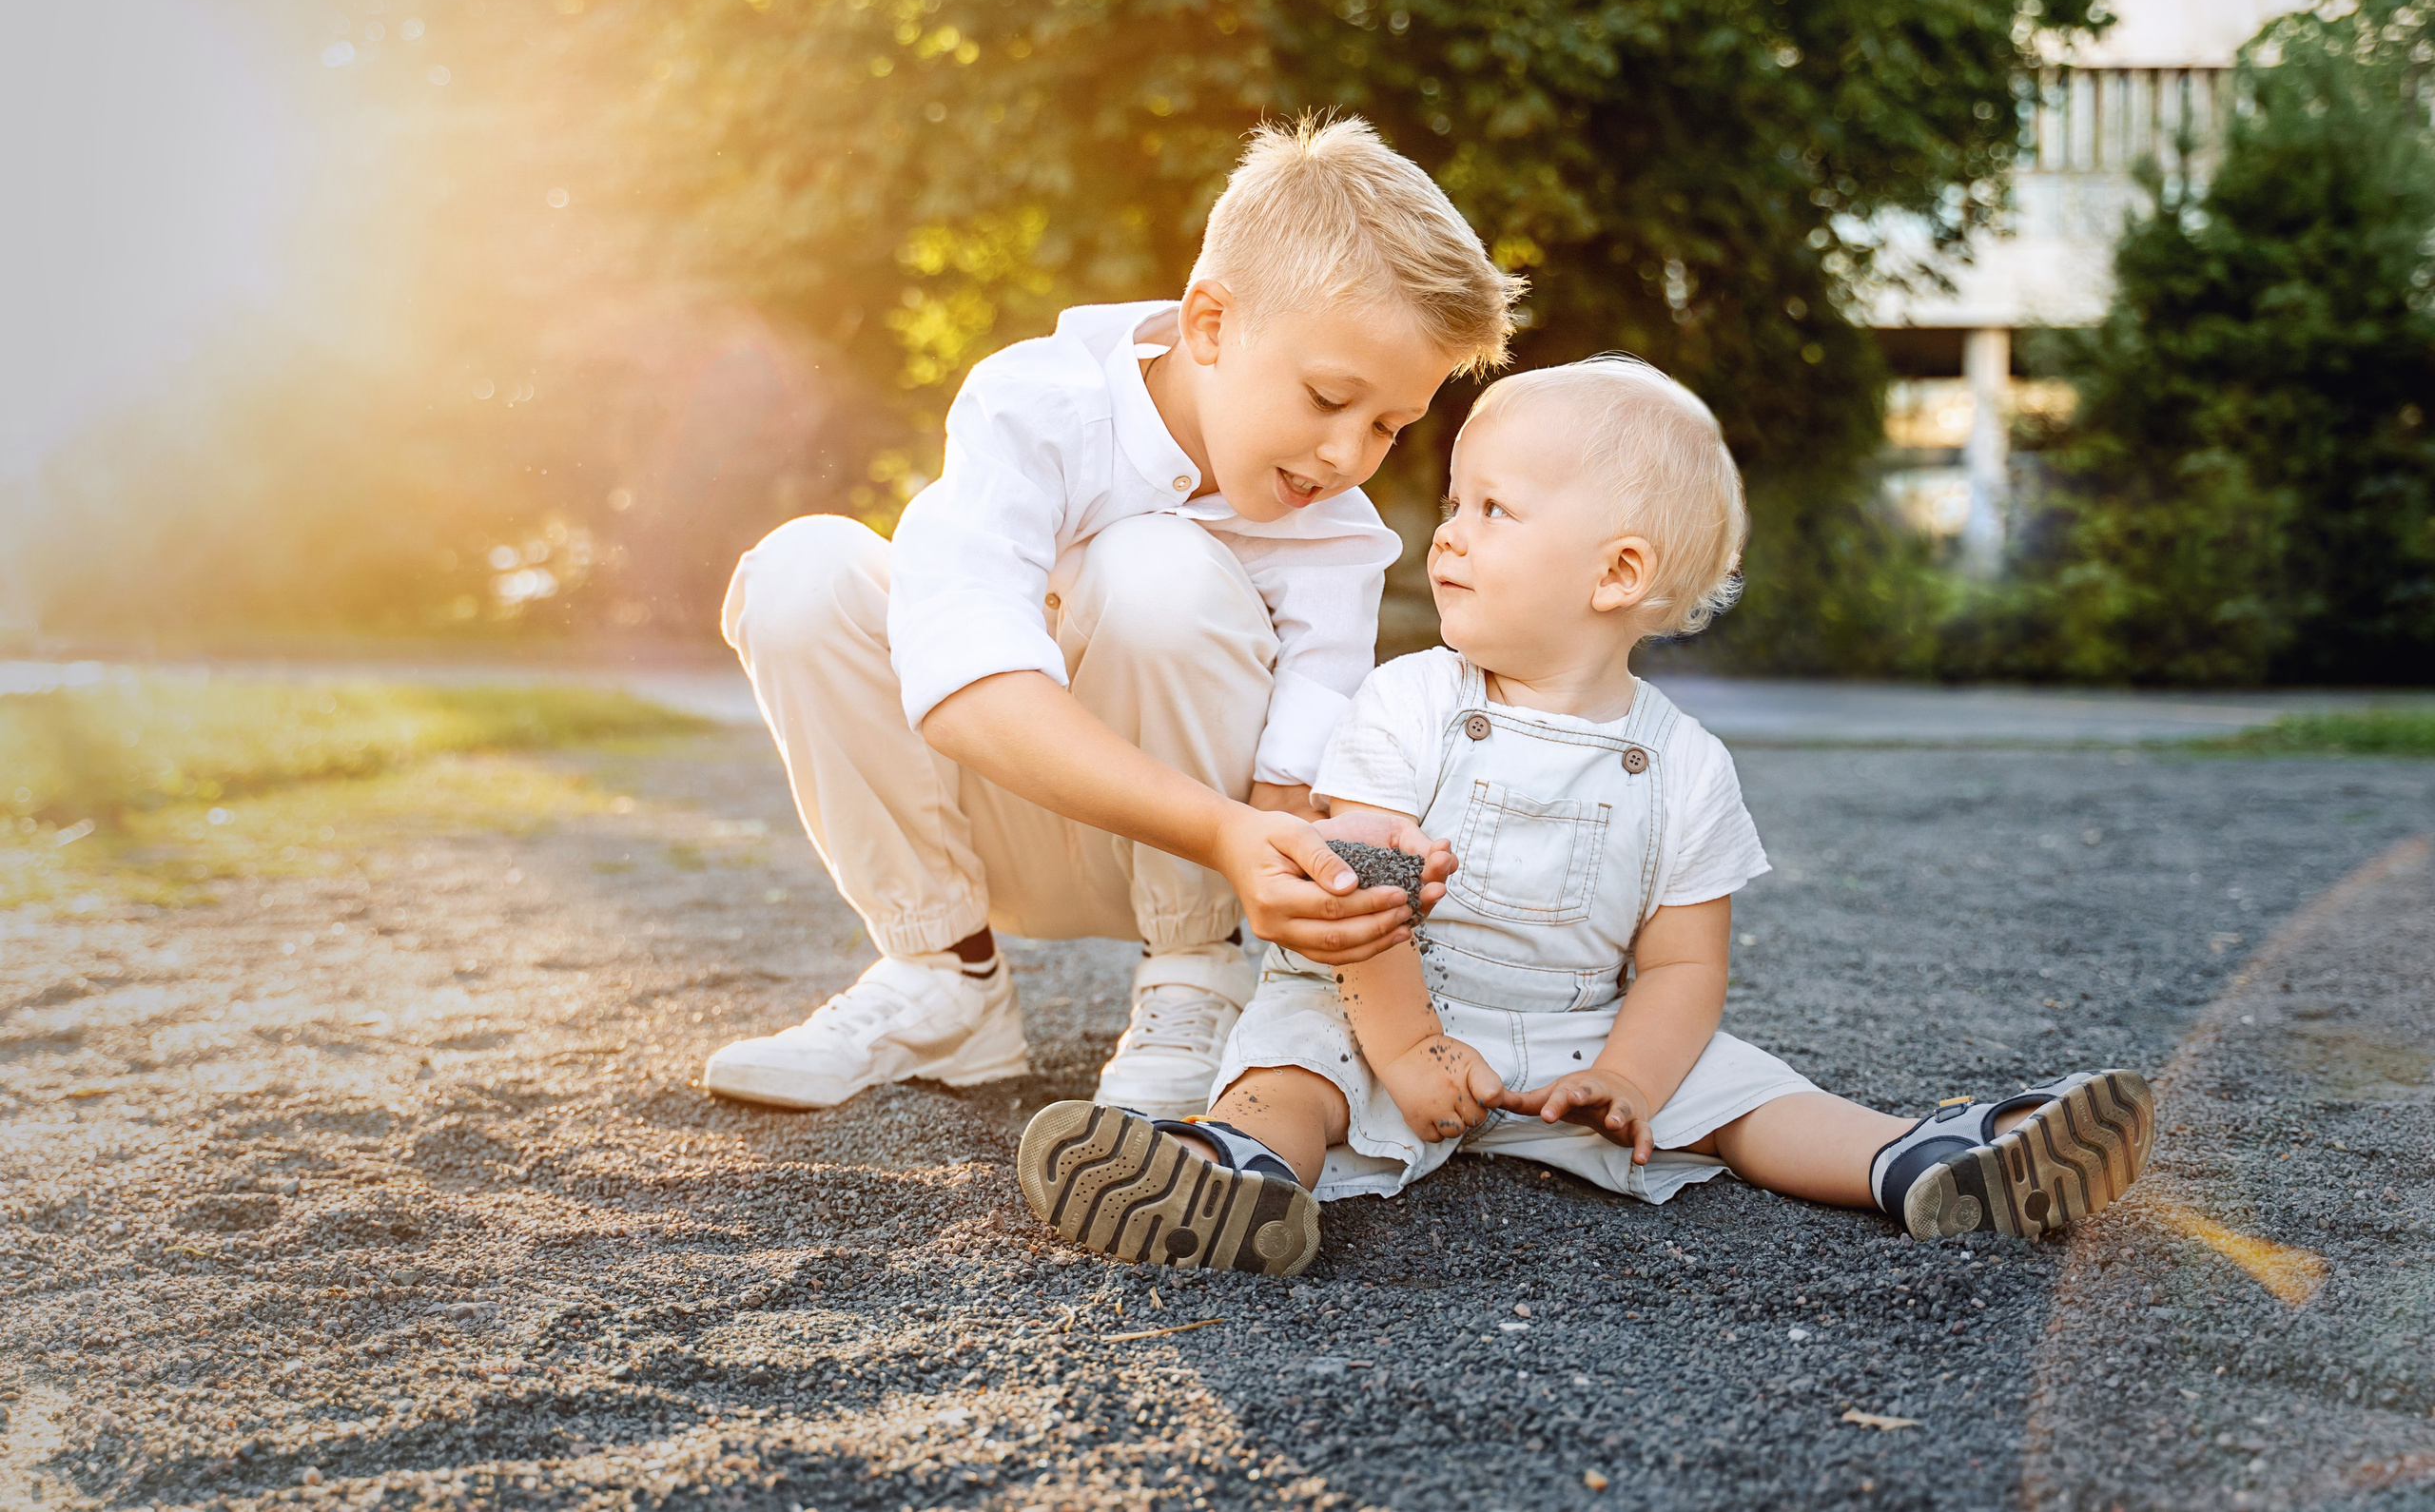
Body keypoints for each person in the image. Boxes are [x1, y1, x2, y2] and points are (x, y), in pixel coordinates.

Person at [1014, 357, 2155, 1273]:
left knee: (1752, 1094)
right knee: (1290, 1065)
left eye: (1492, 509)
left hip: (1577, 1035)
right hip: (1380, 1015)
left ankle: (1925, 1161)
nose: (1446, 533)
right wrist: (1408, 1053)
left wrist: (1633, 1080)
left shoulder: (1686, 765)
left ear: (1615, 575)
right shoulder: (1408, 698)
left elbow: (1678, 973)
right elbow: (1359, 891)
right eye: (1454, 503)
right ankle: (1238, 1173)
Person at [706, 114, 1521, 1120]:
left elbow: (1290, 793)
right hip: (999, 815)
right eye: (1326, 398)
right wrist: (1230, 829)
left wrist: (1343, 842)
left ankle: (1193, 980)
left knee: (1158, 572)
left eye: (1388, 427)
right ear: (1211, 325)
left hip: (1187, 873)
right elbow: (961, 686)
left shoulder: (1336, 536)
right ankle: (943, 978)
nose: (1348, 455)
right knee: (800, 569)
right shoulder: (1032, 407)